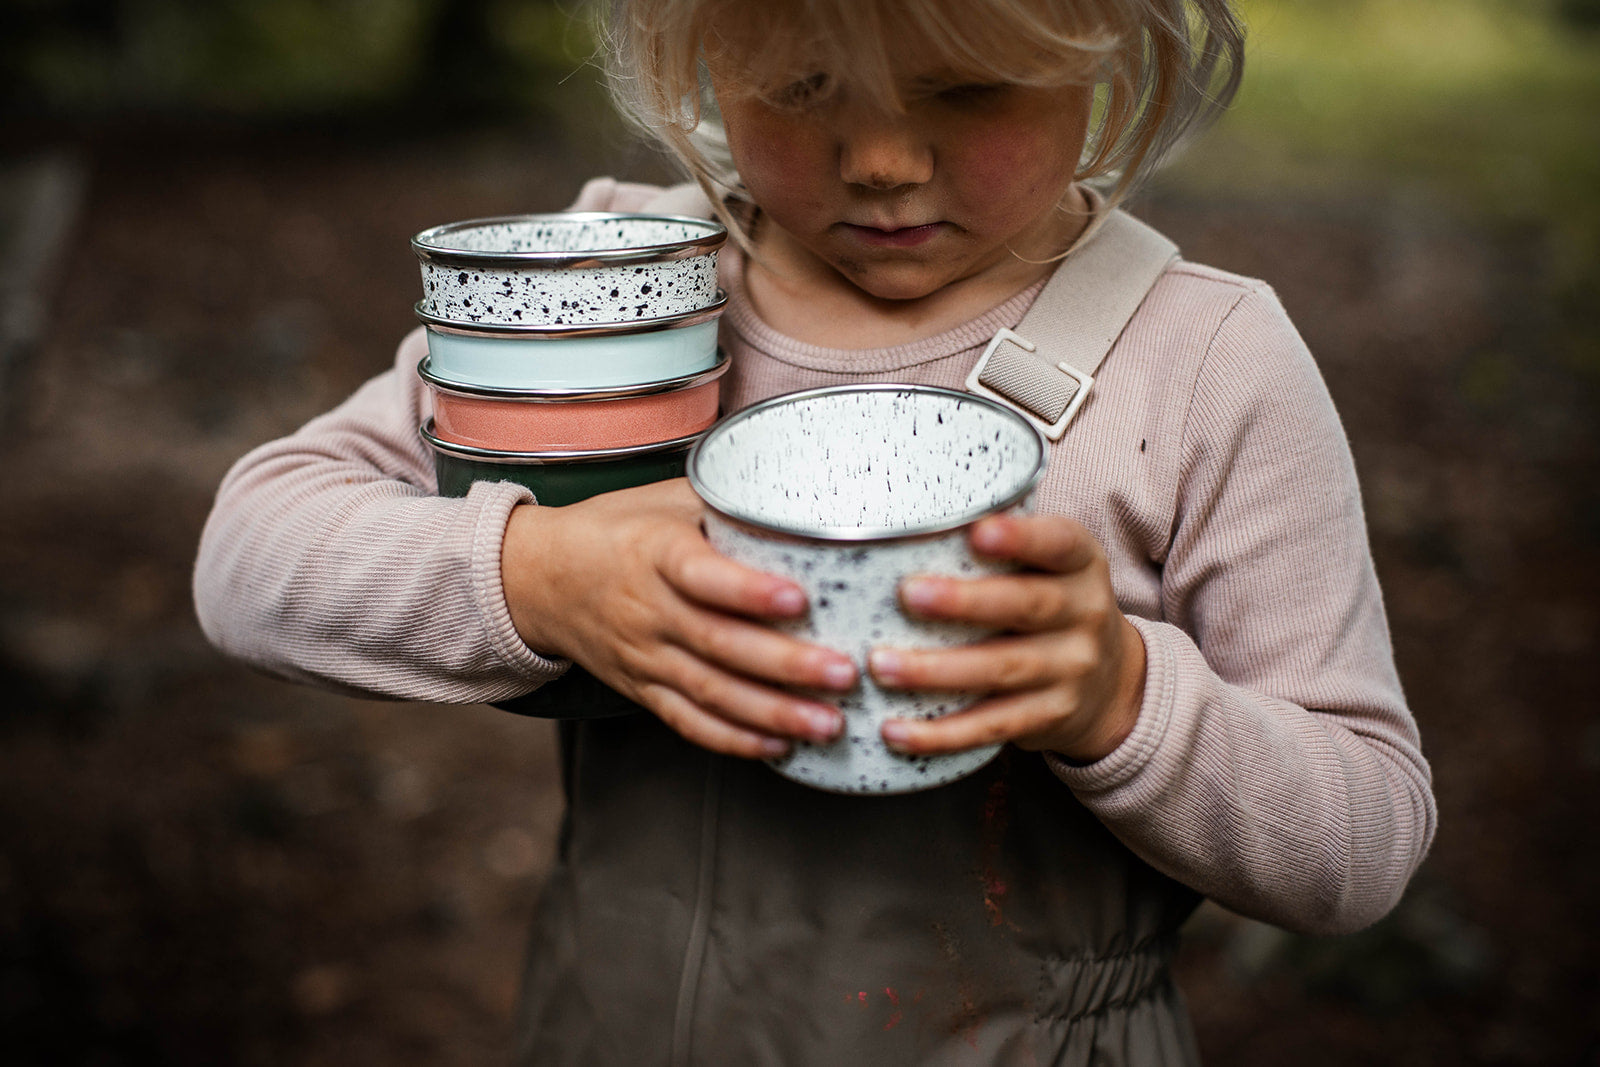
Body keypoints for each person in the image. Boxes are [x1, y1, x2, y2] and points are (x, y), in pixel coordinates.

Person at [193, 0, 1437, 1062]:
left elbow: (1362, 831)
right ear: (693, 57)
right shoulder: (615, 292)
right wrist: (535, 573)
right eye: (799, 86)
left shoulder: (1202, 365)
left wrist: (1119, 696)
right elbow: (248, 558)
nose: (884, 158)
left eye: (968, 86)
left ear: (1112, 48)